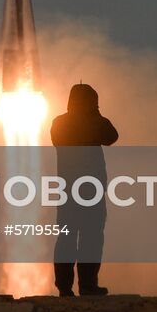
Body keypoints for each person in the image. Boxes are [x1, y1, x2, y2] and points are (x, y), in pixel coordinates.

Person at [50, 83, 118, 296]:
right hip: (91, 190)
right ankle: (88, 285)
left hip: (67, 190)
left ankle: (64, 287)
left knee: (66, 237)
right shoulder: (94, 122)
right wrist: (95, 113)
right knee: (91, 237)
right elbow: (112, 136)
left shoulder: (59, 123)